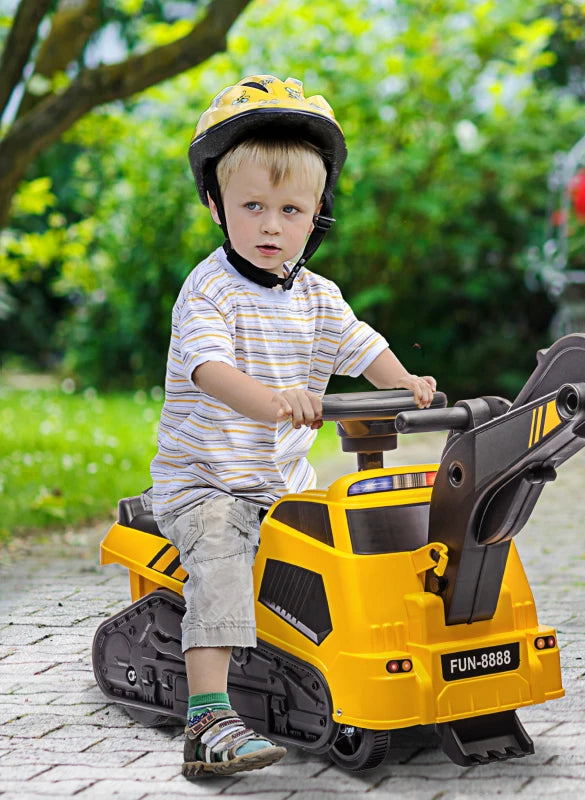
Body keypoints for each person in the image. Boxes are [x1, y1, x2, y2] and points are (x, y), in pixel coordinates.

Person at [149, 75, 437, 779]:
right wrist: (273, 398)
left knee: (351, 537)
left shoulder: (317, 296)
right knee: (219, 560)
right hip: (206, 483)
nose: (271, 226)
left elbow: (361, 346)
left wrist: (403, 381)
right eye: (252, 207)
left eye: (290, 210)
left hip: (282, 483)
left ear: (317, 216)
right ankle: (208, 719)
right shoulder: (209, 290)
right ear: (217, 207)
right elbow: (210, 371)